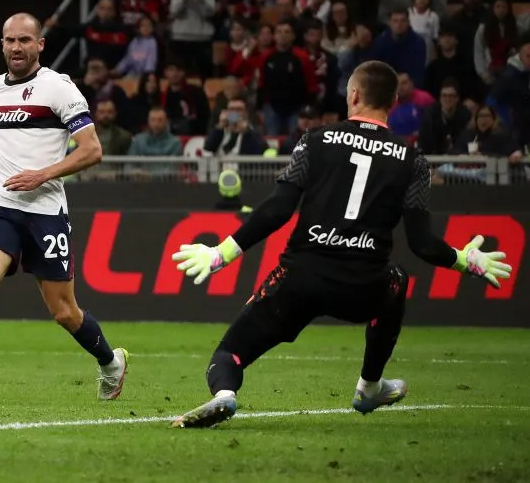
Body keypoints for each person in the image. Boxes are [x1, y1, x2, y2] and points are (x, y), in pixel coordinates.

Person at [169, 60, 511, 428]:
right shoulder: (414, 161)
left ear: (354, 95)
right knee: (397, 279)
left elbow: (278, 209)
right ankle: (369, 386)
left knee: (229, 353)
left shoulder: (315, 140)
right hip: (362, 285)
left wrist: (221, 253)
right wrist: (464, 261)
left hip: (299, 278)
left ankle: (225, 394)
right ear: (394, 102)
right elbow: (422, 243)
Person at [0, 13, 128, 404]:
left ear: (40, 45)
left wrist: (43, 174)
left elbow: (92, 150)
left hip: (45, 210)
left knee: (64, 312)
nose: (16, 47)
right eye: (10, 40)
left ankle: (111, 362)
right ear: (2, 45)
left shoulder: (59, 88)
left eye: (25, 40)